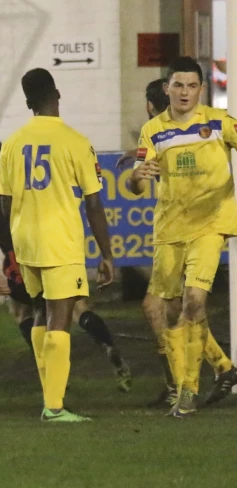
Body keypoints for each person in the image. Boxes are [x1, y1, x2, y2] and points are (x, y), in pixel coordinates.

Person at [0, 68, 114, 422]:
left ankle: (50, 393)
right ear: (57, 94)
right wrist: (107, 255)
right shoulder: (75, 141)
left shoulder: (13, 143)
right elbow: (93, 203)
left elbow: (3, 202)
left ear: (28, 101)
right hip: (59, 240)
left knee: (38, 311)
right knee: (60, 319)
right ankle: (54, 406)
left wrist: (18, 232)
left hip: (26, 241)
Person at [0, 140, 132, 392]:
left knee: (24, 313)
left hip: (19, 267)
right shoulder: (26, 185)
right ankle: (106, 345)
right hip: (50, 255)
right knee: (76, 308)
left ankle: (50, 376)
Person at [130, 57, 237, 417]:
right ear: (167, 89)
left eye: (192, 86)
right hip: (170, 230)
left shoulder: (219, 123)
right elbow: (135, 180)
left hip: (211, 224)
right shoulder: (153, 131)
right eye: (178, 85)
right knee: (171, 308)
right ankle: (219, 370)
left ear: (201, 89)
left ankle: (187, 391)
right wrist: (137, 175)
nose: (185, 92)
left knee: (194, 299)